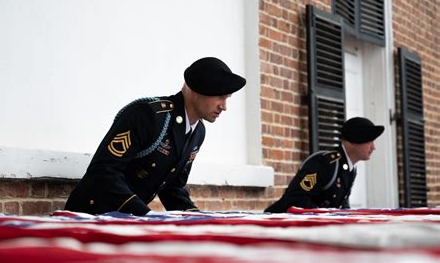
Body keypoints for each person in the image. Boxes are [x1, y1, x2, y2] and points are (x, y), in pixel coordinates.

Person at [65, 57, 246, 216]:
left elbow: (173, 188)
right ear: (196, 89)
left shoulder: (198, 131)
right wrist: (146, 214)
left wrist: (196, 219)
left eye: (227, 98)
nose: (224, 106)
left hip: (128, 220)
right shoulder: (149, 115)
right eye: (220, 97)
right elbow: (104, 172)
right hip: (90, 215)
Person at [265, 117, 384, 213]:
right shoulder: (325, 163)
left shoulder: (350, 168)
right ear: (353, 141)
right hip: (281, 226)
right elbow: (296, 198)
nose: (374, 147)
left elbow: (342, 204)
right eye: (369, 141)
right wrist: (326, 216)